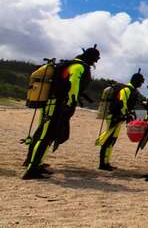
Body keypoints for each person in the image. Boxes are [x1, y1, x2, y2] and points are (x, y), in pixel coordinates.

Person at [23, 46, 100, 180]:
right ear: (91, 58)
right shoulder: (79, 67)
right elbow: (73, 83)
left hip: (52, 103)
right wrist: (71, 101)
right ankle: (32, 169)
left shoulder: (70, 64)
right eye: (96, 58)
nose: (96, 61)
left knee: (43, 134)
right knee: (45, 136)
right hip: (58, 105)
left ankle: (33, 163)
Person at [98, 70, 144, 170]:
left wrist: (127, 114)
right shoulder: (127, 90)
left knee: (112, 140)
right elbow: (122, 103)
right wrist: (126, 114)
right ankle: (102, 164)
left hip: (118, 118)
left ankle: (106, 162)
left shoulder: (131, 90)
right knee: (108, 140)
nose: (142, 84)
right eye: (141, 81)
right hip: (114, 117)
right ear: (136, 81)